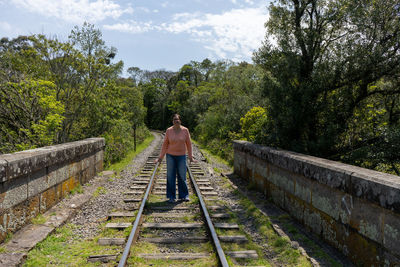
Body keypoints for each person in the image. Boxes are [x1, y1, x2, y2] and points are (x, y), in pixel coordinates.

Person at [155, 114, 195, 203]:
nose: (176, 121)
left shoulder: (185, 130)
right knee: (170, 176)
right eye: (174, 119)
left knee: (182, 176)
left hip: (182, 156)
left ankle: (184, 196)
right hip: (170, 156)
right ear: (172, 121)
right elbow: (165, 144)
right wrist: (160, 157)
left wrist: (190, 156)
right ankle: (171, 197)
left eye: (177, 119)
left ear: (180, 121)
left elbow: (189, 144)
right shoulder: (169, 131)